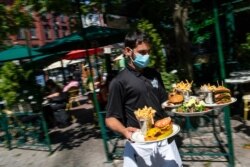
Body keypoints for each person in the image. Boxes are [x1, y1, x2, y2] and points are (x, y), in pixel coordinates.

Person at [105, 29, 182, 167]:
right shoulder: (119, 82)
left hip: (165, 139)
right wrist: (124, 131)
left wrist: (180, 102)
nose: (147, 56)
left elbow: (164, 103)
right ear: (128, 51)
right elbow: (110, 119)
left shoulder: (154, 74)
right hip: (141, 144)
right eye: (142, 52)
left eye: (148, 52)